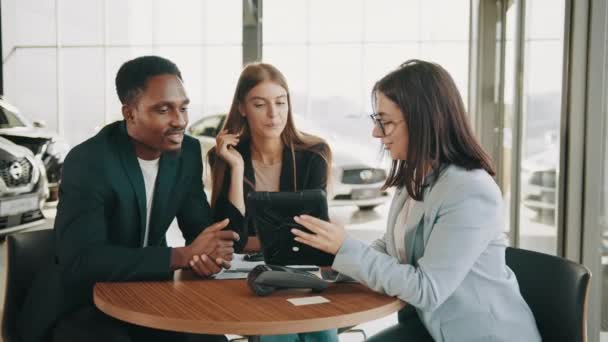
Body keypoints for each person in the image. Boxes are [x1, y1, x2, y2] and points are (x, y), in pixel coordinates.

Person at [291, 60, 542, 342]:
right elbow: (391, 247)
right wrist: (335, 258)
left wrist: (345, 249)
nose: (376, 133)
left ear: (422, 120)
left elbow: (428, 289)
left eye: (385, 122)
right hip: (429, 329)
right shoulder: (418, 177)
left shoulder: (470, 191)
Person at [17, 56, 240, 342]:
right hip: (82, 303)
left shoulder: (188, 153)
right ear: (130, 113)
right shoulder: (90, 160)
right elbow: (84, 261)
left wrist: (206, 254)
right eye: (164, 110)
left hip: (150, 293)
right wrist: (180, 256)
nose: (180, 121)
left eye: (183, 108)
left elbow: (200, 230)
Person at [202, 62, 337, 342]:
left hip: (303, 275)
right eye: (260, 104)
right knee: (278, 335)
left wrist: (258, 240)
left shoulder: (314, 155)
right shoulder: (225, 158)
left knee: (320, 331)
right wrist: (237, 169)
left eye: (280, 102)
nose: (274, 114)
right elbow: (232, 238)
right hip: (249, 280)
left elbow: (314, 235)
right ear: (242, 108)